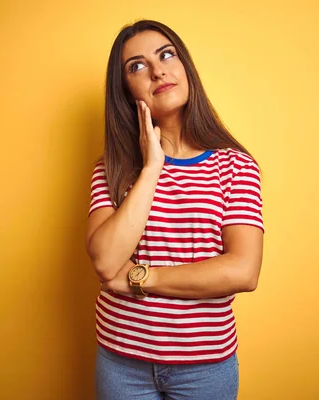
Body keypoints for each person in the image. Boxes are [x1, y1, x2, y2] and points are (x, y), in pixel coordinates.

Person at [86, 19, 265, 400]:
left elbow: (243, 270)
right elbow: (105, 262)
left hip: (205, 366)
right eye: (137, 66)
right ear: (125, 90)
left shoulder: (235, 166)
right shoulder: (112, 168)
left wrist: (139, 277)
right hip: (120, 362)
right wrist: (152, 167)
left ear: (185, 67)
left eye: (166, 55)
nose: (157, 70)